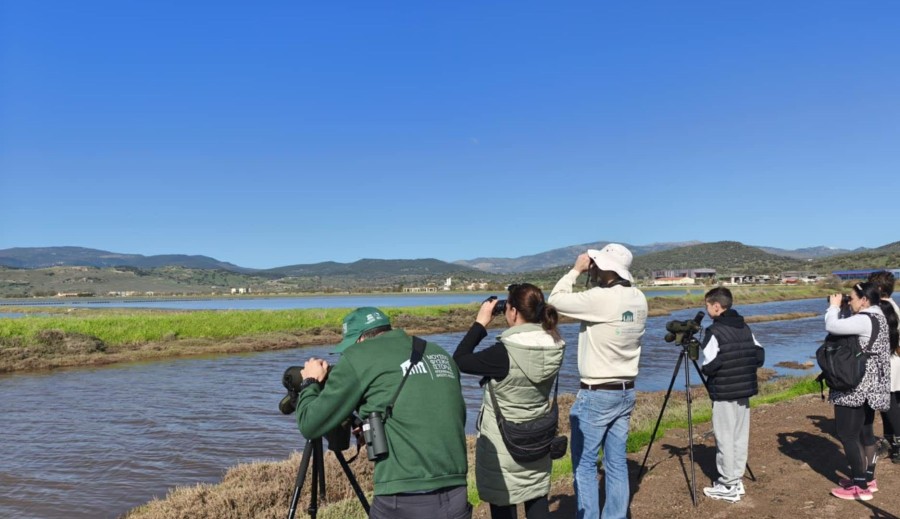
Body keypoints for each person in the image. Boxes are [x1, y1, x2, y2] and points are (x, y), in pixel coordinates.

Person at [294, 307, 471, 519]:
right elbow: (432, 411)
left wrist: (310, 382)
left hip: (404, 497)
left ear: (359, 340)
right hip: (456, 492)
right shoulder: (438, 352)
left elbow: (310, 424)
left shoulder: (359, 355)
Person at [548, 244, 648, 519]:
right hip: (625, 391)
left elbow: (555, 299)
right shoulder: (639, 297)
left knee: (584, 464)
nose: (591, 267)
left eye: (595, 264)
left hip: (597, 393)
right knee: (616, 463)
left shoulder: (601, 299)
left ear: (604, 268)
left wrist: (575, 270)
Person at [453, 283, 565, 519]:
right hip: (537, 439)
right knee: (537, 499)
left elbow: (460, 359)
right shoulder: (555, 345)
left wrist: (480, 323)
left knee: (503, 504)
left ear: (513, 311)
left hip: (504, 446)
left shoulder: (503, 353)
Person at [824, 282, 894, 502]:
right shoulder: (878, 316)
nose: (849, 301)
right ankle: (868, 479)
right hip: (873, 385)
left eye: (852, 298)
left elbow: (832, 326)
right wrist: (845, 307)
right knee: (865, 433)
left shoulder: (864, 319)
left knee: (847, 434)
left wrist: (834, 307)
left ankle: (859, 485)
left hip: (856, 385)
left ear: (864, 300)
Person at [698, 287, 765, 503]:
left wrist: (723, 360)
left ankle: (728, 484)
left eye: (707, 306)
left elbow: (707, 367)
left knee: (725, 438)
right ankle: (736, 479)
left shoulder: (714, 331)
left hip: (724, 392)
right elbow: (759, 355)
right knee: (739, 436)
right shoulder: (745, 327)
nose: (707, 310)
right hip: (744, 390)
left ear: (716, 306)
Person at [868, 270, 900, 464]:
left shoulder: (884, 310)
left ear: (878, 289)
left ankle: (897, 444)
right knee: (890, 404)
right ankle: (891, 444)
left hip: (890, 363)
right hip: (893, 363)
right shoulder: (892, 307)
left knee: (889, 405)